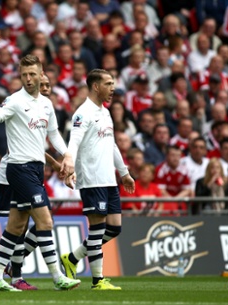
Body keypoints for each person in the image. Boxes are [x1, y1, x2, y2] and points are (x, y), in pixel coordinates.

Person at [0, 54, 80, 291]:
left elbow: (53, 136)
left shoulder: (47, 104)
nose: (28, 79)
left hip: (36, 169)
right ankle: (57, 277)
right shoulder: (15, 100)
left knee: (16, 226)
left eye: (32, 74)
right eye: (24, 75)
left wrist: (67, 155)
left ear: (41, 74)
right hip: (19, 169)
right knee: (45, 221)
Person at [59, 69, 135, 290]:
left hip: (108, 180)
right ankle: (97, 280)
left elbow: (111, 145)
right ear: (95, 86)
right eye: (108, 84)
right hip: (92, 179)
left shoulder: (105, 112)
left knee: (114, 228)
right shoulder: (83, 113)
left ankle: (72, 258)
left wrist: (124, 173)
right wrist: (69, 161)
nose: (113, 88)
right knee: (97, 230)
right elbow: (74, 141)